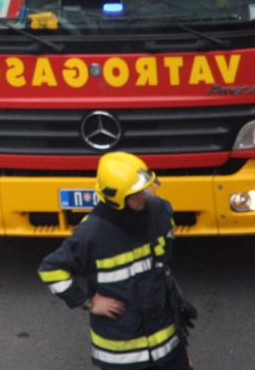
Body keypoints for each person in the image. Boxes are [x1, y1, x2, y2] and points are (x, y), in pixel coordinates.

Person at [37, 152, 195, 369]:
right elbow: (50, 269)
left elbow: (164, 253)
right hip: (123, 354)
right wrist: (88, 302)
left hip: (167, 341)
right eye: (138, 193)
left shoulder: (158, 211)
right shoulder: (92, 233)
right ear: (117, 199)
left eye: (146, 188)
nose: (146, 195)